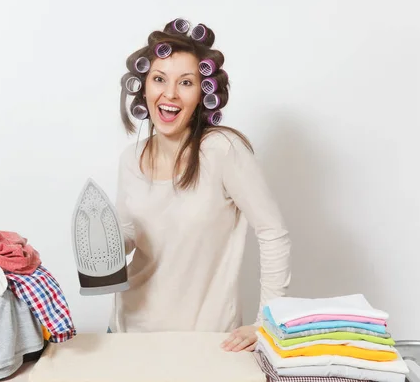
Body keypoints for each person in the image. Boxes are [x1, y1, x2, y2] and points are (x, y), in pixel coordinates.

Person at [109, 18, 292, 352]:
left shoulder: (222, 150)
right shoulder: (130, 158)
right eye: (159, 79)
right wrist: (94, 243)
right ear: (143, 86)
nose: (170, 94)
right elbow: (128, 238)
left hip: (207, 340)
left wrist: (268, 322)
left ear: (203, 94)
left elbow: (273, 232)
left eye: (186, 82)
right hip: (127, 335)